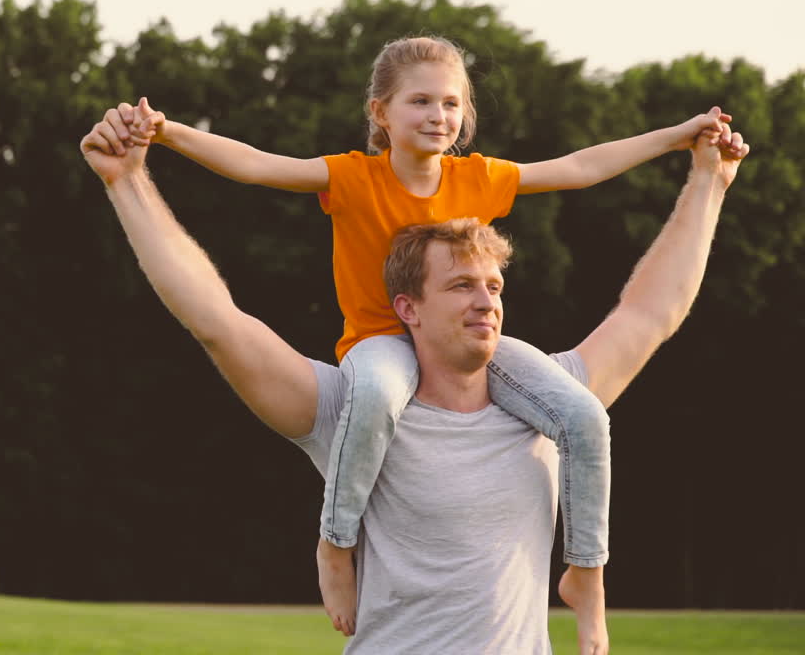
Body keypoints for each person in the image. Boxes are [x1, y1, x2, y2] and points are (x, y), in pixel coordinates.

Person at [111, 35, 731, 641]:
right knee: (378, 392)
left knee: (586, 416)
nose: (439, 115)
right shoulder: (345, 397)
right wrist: (158, 143)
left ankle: (586, 576)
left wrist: (695, 157)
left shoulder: (481, 191)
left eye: (452, 104)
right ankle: (335, 544)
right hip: (376, 348)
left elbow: (602, 212)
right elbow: (244, 211)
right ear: (380, 112)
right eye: (463, 285)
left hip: (490, 388)